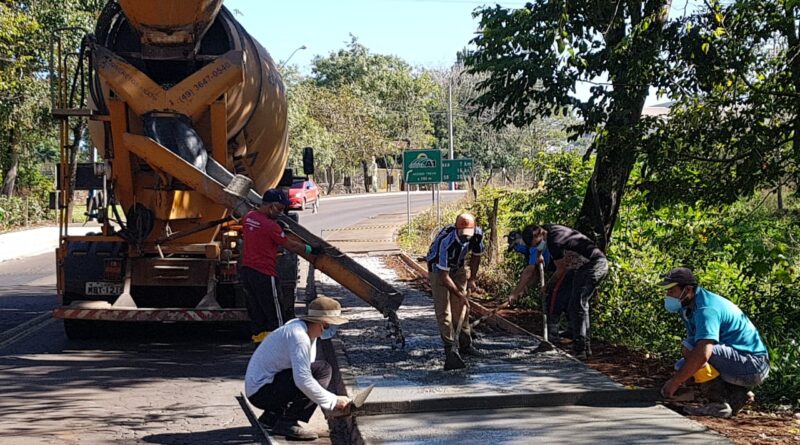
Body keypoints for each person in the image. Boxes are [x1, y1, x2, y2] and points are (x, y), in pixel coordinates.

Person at [658, 267, 770, 418]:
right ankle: (737, 396)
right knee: (683, 365)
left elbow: (702, 354)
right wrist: (681, 377)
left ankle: (717, 404)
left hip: (753, 365)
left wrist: (675, 382)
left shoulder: (706, 309)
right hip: (738, 361)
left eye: (672, 291)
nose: (668, 296)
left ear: (688, 289)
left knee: (692, 353)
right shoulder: (688, 306)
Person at [244, 296, 351, 440]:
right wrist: (333, 401)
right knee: (322, 370)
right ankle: (288, 422)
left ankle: (272, 416)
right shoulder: (299, 337)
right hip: (262, 393)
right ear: (322, 323)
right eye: (329, 326)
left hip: (262, 389)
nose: (330, 330)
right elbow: (303, 379)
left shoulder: (302, 330)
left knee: (316, 369)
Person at [509, 224, 608, 359]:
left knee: (578, 304)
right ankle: (584, 346)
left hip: (594, 265)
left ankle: (581, 349)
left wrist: (547, 287)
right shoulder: (546, 231)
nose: (538, 246)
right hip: (580, 267)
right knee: (574, 303)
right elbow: (541, 247)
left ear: (539, 235)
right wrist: (539, 255)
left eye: (536, 243)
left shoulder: (555, 241)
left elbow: (561, 270)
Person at [241, 189, 322, 344]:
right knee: (275, 312)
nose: (280, 213)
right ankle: (281, 344)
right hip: (265, 273)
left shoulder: (249, 217)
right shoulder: (271, 226)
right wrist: (311, 249)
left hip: (247, 271)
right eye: (278, 208)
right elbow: (291, 245)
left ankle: (260, 342)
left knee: (256, 310)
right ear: (271, 206)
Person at [425, 213, 485, 367]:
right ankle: (450, 348)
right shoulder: (446, 242)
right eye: (463, 235)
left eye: (468, 235)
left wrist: (472, 279)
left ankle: (465, 345)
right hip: (438, 270)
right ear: (456, 229)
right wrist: (460, 294)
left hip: (458, 267)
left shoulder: (477, 235)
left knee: (461, 308)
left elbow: (476, 256)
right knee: (444, 311)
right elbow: (444, 277)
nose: (466, 238)